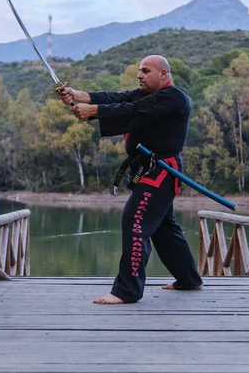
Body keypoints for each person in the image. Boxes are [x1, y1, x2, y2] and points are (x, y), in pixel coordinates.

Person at [58, 55, 203, 304]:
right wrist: (79, 95)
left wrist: (92, 111)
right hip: (149, 170)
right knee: (163, 228)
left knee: (134, 220)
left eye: (145, 71)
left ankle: (127, 290)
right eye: (139, 70)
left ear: (163, 74)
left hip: (160, 171)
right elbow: (117, 99)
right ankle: (189, 279)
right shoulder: (144, 95)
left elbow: (134, 112)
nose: (139, 75)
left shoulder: (174, 98)